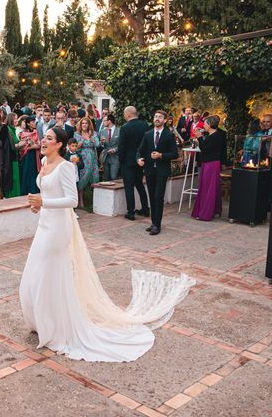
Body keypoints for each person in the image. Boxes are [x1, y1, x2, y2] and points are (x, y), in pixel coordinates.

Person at [21, 127, 194, 362]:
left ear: (59, 144)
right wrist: (39, 205)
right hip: (44, 225)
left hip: (58, 229)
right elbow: (49, 194)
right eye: (44, 137)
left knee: (50, 274)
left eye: (49, 138)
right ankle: (42, 321)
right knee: (35, 273)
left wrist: (45, 201)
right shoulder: (43, 160)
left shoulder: (66, 166)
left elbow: (72, 200)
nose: (43, 141)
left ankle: (56, 326)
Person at [136, 110, 179, 235]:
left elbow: (174, 153)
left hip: (162, 171)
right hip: (149, 170)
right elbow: (140, 150)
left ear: (165, 120)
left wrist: (161, 155)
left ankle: (157, 225)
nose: (157, 118)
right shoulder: (148, 134)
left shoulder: (169, 135)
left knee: (158, 197)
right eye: (155, 116)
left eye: (160, 117)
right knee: (152, 196)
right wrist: (138, 159)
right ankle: (153, 222)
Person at [118, 106, 150, 220]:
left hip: (127, 161)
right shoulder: (145, 125)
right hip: (140, 160)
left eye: (124, 114)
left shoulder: (125, 127)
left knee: (129, 187)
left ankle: (130, 212)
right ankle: (145, 209)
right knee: (140, 184)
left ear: (128, 115)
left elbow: (121, 146)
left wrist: (121, 160)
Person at [192, 116, 225, 221]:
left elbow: (205, 149)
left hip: (211, 164)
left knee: (208, 188)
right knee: (209, 187)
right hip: (209, 163)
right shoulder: (214, 135)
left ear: (210, 125)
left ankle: (206, 212)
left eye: (205, 123)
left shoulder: (216, 136)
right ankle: (214, 210)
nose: (204, 125)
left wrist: (200, 137)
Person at [75, 117, 100, 208]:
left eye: (86, 123)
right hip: (83, 158)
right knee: (83, 178)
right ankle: (80, 201)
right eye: (83, 123)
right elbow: (75, 147)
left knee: (95, 177)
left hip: (93, 159)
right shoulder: (77, 134)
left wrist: (91, 138)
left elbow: (98, 145)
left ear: (89, 125)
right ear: (80, 125)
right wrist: (82, 141)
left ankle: (95, 201)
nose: (84, 125)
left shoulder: (94, 134)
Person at [19, 116, 41, 196]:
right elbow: (23, 147)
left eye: (34, 121)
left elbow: (39, 145)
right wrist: (33, 146)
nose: (34, 123)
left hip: (34, 156)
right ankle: (25, 191)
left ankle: (34, 190)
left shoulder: (36, 132)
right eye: (32, 122)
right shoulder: (23, 133)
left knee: (34, 173)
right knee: (27, 172)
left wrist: (32, 146)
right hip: (27, 156)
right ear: (28, 124)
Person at [98, 114, 120, 181]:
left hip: (115, 157)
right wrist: (102, 142)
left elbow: (122, 144)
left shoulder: (119, 130)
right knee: (107, 178)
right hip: (105, 157)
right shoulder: (102, 131)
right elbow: (101, 145)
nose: (103, 122)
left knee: (113, 177)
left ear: (109, 121)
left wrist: (115, 150)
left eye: (104, 120)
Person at [5, 113, 22, 198]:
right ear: (10, 119)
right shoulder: (8, 130)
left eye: (17, 118)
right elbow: (11, 146)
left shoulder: (13, 130)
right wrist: (20, 144)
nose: (16, 120)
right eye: (14, 119)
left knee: (16, 179)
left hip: (15, 158)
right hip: (10, 159)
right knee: (13, 179)